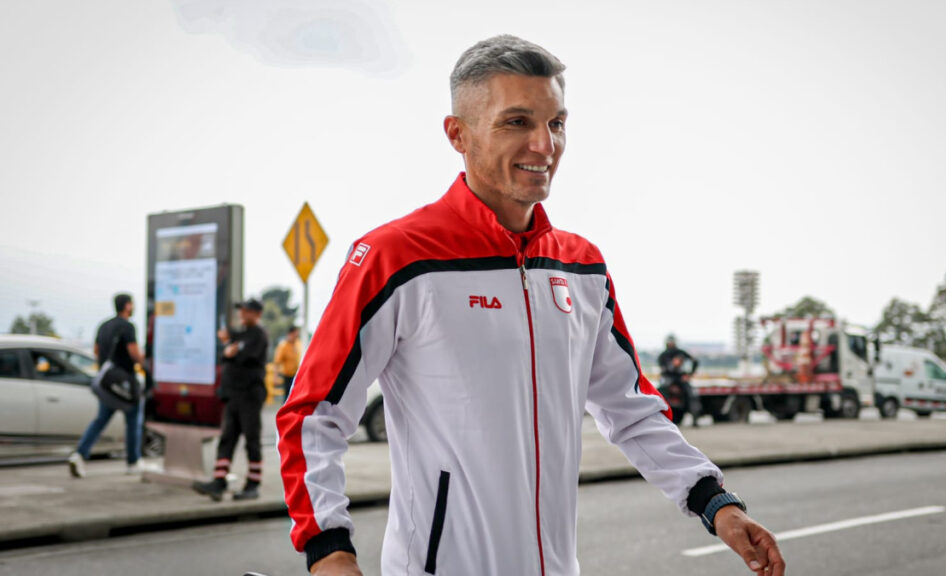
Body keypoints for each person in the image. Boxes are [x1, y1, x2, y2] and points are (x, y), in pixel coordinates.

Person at [278, 36, 785, 576]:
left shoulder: (581, 265)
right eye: (517, 122)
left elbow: (631, 409)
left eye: (557, 123)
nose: (545, 145)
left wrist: (715, 503)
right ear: (458, 134)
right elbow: (313, 414)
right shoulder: (396, 257)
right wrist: (329, 553)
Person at [193, 298, 269, 501]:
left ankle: (253, 484)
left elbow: (242, 357)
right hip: (233, 395)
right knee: (227, 438)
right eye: (241, 311)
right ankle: (219, 481)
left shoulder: (258, 335)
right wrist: (227, 347)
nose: (242, 314)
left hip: (249, 395)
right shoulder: (241, 334)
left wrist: (229, 347)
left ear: (256, 314)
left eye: (246, 311)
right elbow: (227, 354)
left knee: (251, 439)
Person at [69, 293, 147, 477]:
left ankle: (79, 454)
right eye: (132, 304)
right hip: (124, 382)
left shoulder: (104, 326)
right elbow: (134, 352)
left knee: (100, 420)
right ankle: (133, 462)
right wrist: (147, 367)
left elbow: (96, 350)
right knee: (133, 420)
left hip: (107, 383)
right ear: (127, 306)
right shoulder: (127, 327)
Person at [274, 325, 302, 399]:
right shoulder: (283, 346)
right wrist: (275, 377)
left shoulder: (298, 343)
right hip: (288, 375)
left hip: (297, 375)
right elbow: (277, 362)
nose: (296, 337)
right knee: (287, 396)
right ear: (290, 334)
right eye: (295, 335)